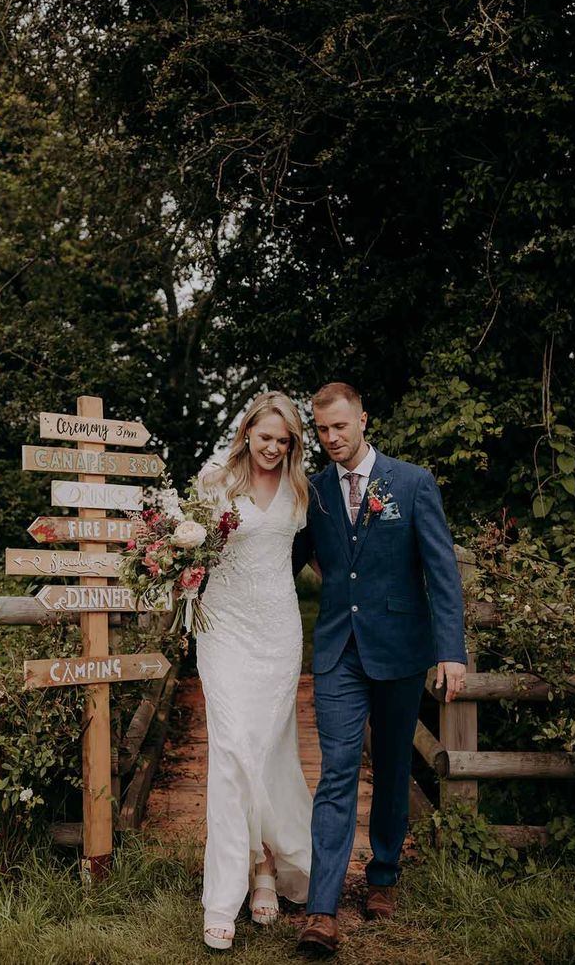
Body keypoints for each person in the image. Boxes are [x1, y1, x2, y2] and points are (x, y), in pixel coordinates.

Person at [294, 382, 467, 957]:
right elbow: (281, 558)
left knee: (393, 767)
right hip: (338, 650)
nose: (331, 439)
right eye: (321, 430)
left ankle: (384, 875)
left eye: (340, 427)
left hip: (399, 648)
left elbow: (441, 571)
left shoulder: (412, 483)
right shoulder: (312, 493)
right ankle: (322, 908)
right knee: (338, 770)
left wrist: (451, 650)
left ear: (364, 419)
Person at [196, 391, 313, 951]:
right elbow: (186, 548)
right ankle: (222, 896)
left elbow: (321, 556)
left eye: (282, 440)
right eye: (264, 437)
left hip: (278, 633)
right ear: (247, 432)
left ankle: (266, 866)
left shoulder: (299, 489)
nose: (272, 447)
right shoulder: (214, 481)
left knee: (269, 751)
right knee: (232, 752)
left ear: (292, 444)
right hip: (223, 630)